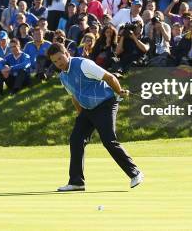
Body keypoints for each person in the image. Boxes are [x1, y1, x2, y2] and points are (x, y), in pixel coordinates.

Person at [46, 42, 143, 192]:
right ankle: (77, 182)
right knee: (76, 139)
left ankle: (135, 173)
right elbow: (74, 96)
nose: (59, 63)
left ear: (66, 53)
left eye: (60, 58)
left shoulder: (83, 64)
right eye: (55, 61)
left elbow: (109, 77)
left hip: (105, 104)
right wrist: (80, 115)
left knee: (108, 140)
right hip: (87, 110)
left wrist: (119, 92)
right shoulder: (63, 77)